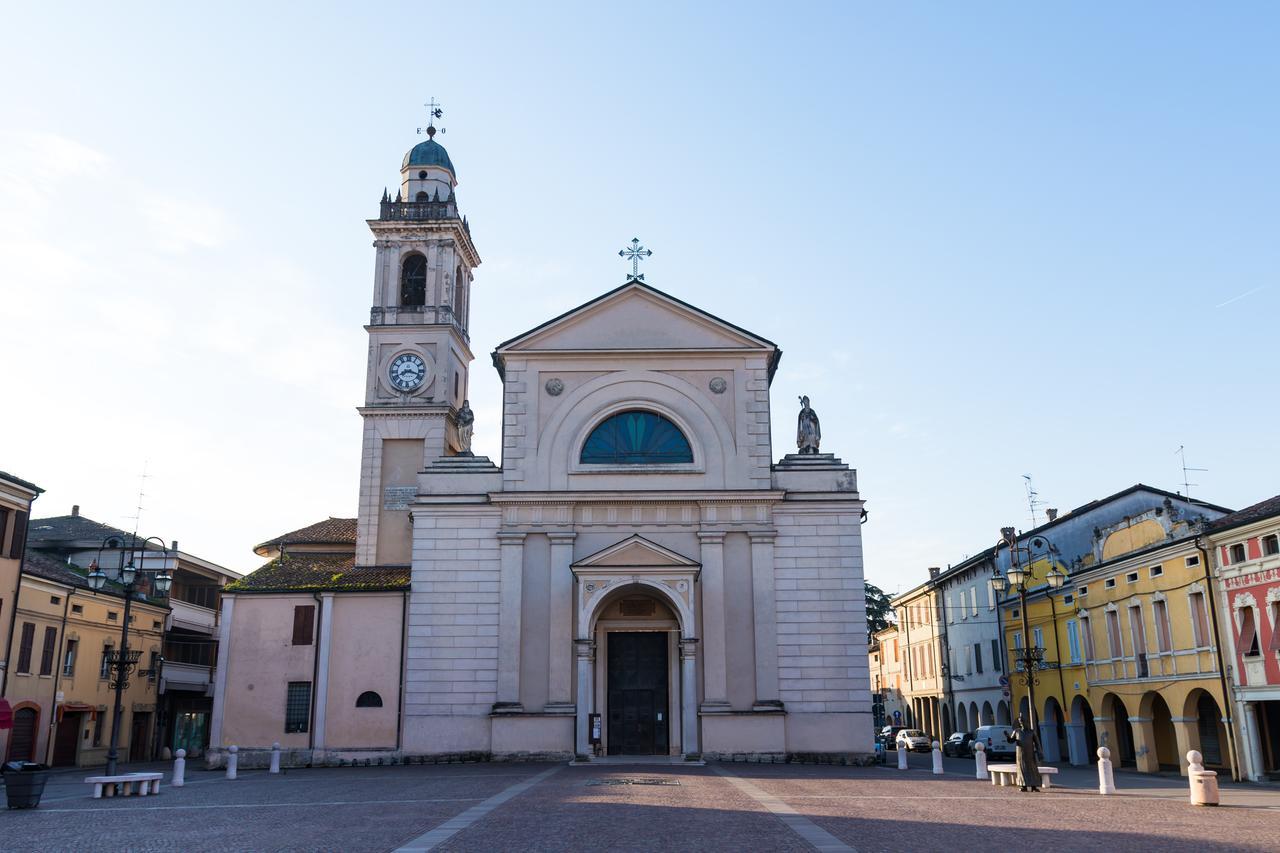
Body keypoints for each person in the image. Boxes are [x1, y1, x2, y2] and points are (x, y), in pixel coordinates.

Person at [1006, 715, 1043, 792]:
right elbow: (1011, 741)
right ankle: (1023, 786)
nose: (1022, 723)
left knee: (1032, 769)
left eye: (1023, 721)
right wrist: (1007, 737)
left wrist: (1040, 753)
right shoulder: (1016, 731)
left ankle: (1034, 786)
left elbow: (1037, 743)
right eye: (1020, 722)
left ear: (1027, 722)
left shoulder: (1032, 732)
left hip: (1030, 754)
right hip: (1021, 755)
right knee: (1022, 770)